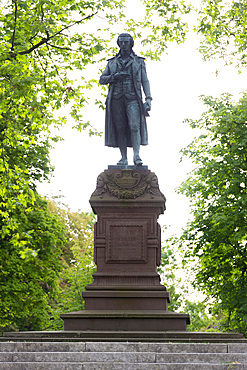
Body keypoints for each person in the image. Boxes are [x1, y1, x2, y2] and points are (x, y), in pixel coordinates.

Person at [99, 33, 152, 166]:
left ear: (131, 43)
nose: (123, 45)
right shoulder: (112, 63)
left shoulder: (139, 61)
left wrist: (149, 98)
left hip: (133, 98)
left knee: (135, 126)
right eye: (121, 42)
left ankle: (137, 155)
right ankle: (124, 157)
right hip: (116, 98)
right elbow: (102, 79)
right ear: (118, 44)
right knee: (120, 128)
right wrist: (115, 76)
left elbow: (145, 81)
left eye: (126, 42)